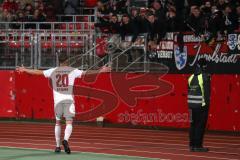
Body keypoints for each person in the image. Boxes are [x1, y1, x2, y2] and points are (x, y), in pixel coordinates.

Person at [16, 53, 111, 154]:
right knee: (69, 122)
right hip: (68, 100)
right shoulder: (72, 70)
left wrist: (25, 69)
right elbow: (87, 73)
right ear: (68, 60)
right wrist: (101, 70)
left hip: (57, 101)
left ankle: (57, 146)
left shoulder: (53, 70)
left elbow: (37, 72)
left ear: (59, 61)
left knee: (58, 123)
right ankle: (65, 140)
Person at [187, 58, 211, 152]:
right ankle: (198, 146)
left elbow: (189, 91)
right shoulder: (205, 76)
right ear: (204, 66)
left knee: (192, 125)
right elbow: (207, 93)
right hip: (201, 106)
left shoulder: (191, 77)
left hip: (191, 106)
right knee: (200, 126)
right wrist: (207, 105)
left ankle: (192, 145)